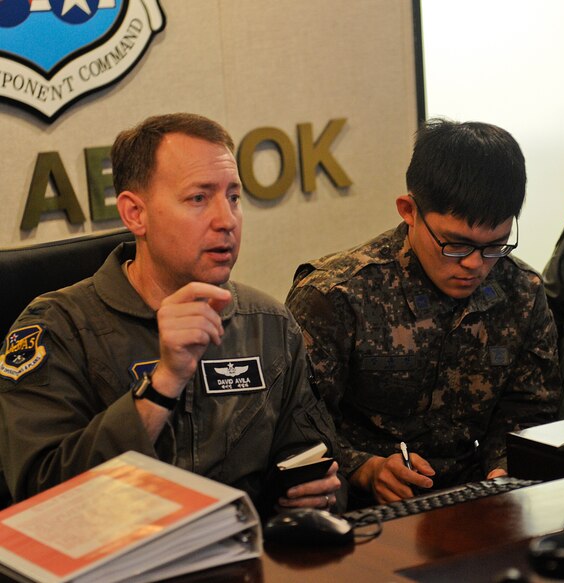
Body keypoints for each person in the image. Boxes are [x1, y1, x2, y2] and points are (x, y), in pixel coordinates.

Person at [0, 113, 343, 515]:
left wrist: (317, 493)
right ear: (135, 214)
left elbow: (315, 461)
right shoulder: (55, 329)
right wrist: (165, 381)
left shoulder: (267, 324)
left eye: (233, 197)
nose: (226, 220)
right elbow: (42, 496)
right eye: (199, 198)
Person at [286, 119, 561, 504]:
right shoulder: (337, 295)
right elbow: (296, 425)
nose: (475, 265)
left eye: (496, 245)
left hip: (482, 500)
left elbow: (529, 408)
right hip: (368, 506)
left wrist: (504, 467)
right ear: (409, 211)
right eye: (456, 245)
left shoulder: (522, 291)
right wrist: (364, 467)